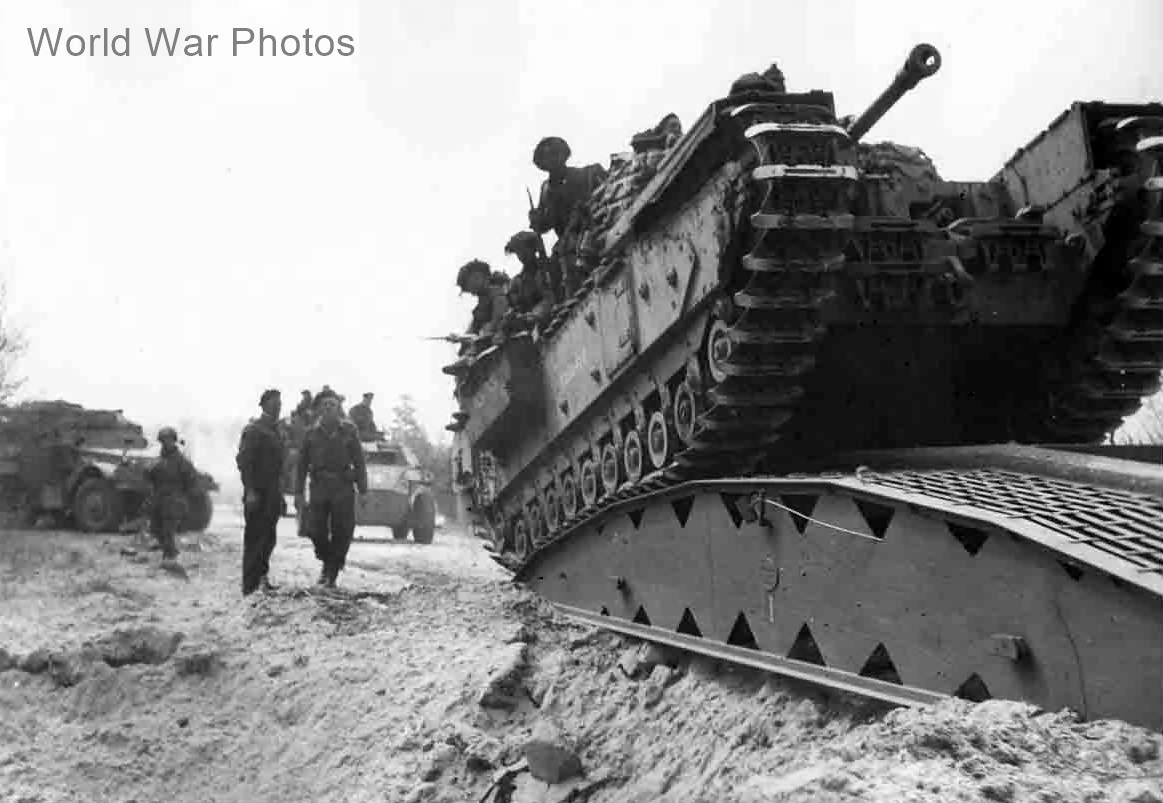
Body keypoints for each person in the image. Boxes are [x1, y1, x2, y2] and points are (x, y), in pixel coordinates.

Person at [294, 389, 367, 589]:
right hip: (319, 486)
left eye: (332, 405)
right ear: (319, 409)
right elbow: (301, 465)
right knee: (315, 530)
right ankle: (328, 560)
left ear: (338, 408)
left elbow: (359, 461)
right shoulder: (310, 434)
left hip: (343, 486)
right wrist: (298, 493)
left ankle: (331, 572)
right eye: (324, 405)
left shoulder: (349, 430)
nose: (328, 408)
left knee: (343, 530)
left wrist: (363, 490)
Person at [528, 136, 607, 298]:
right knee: (555, 267)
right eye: (547, 157)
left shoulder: (583, 175)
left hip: (587, 229)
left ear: (564, 155)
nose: (552, 160)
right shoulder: (545, 190)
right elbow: (545, 224)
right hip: (565, 240)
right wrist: (536, 219)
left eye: (555, 154)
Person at [235, 389, 287, 596]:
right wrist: (250, 491)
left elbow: (279, 468)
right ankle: (249, 586)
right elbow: (244, 462)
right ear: (264, 405)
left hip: (272, 492)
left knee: (269, 538)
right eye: (274, 403)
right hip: (257, 492)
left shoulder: (276, 431)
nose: (278, 406)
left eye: (280, 403)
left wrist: (280, 495)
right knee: (255, 538)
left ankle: (262, 579)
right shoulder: (254, 430)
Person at [145, 426, 199, 562]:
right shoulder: (158, 460)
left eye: (168, 440)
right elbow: (149, 478)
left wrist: (183, 498)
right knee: (156, 530)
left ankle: (170, 558)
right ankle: (170, 554)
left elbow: (191, 481)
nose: (165, 443)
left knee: (168, 531)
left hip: (174, 501)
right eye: (163, 440)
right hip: (159, 500)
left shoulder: (182, 461)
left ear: (174, 441)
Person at [504, 230, 554, 331]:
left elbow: (551, 297)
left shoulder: (548, 266)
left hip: (551, 315)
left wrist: (536, 313)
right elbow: (517, 306)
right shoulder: (518, 281)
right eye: (518, 252)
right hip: (531, 324)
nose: (522, 255)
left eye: (524, 249)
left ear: (532, 248)